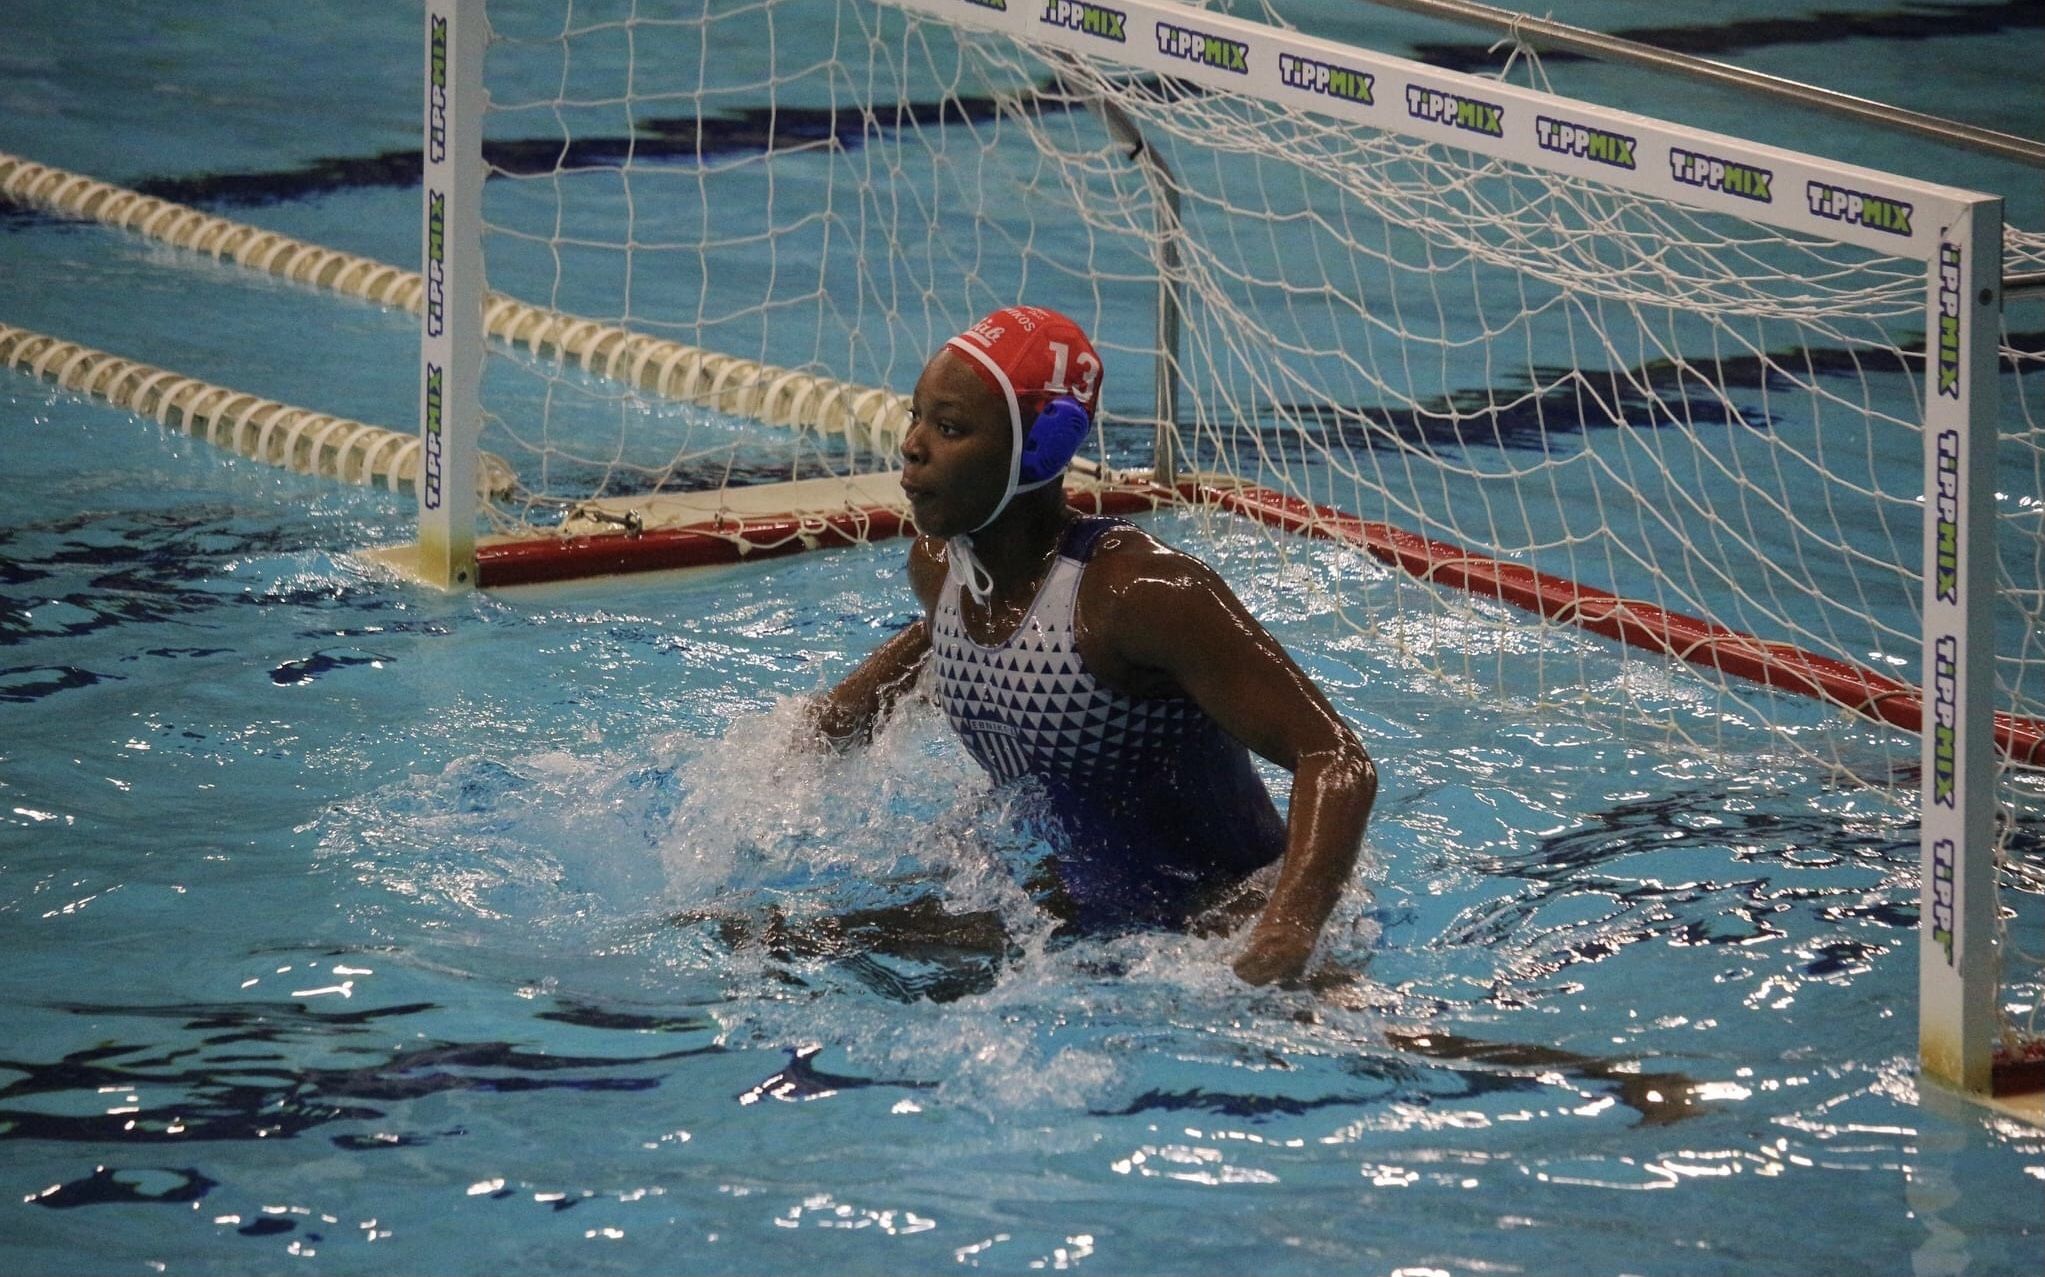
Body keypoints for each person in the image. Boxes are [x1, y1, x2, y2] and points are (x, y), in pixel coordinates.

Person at [810, 305, 1375, 985]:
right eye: (917, 416)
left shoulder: (1138, 595)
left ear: (1043, 447)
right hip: (1062, 907)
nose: (912, 445)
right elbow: (942, 642)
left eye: (950, 427)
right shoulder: (940, 570)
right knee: (782, 939)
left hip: (1209, 923)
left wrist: (1285, 930)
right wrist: (824, 729)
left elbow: (1334, 758)